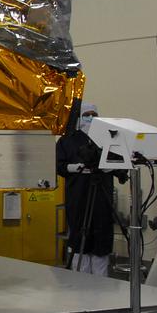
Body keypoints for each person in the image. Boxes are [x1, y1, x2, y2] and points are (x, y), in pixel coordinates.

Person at [56, 103, 127, 275]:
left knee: (101, 238)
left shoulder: (108, 139)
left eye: (94, 114)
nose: (90, 117)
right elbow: (58, 165)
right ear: (79, 117)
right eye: (87, 114)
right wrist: (75, 168)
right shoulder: (68, 140)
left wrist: (110, 167)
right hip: (79, 195)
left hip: (102, 197)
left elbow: (122, 168)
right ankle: (80, 277)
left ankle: (101, 280)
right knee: (80, 237)